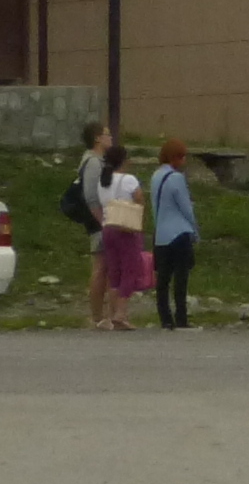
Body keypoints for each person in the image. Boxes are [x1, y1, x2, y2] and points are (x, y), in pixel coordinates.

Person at [92, 150, 150, 332]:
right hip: (127, 228)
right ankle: (121, 313)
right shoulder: (129, 179)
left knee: (114, 271)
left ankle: (113, 312)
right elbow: (139, 198)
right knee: (130, 269)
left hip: (108, 227)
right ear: (124, 161)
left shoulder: (103, 182)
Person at [148, 137, 199, 330]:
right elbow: (186, 208)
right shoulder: (177, 178)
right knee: (181, 278)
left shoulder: (155, 177)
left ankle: (165, 318)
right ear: (176, 158)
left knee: (163, 279)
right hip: (179, 232)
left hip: (161, 233)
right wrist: (195, 230)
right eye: (183, 156)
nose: (184, 160)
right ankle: (181, 318)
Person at [75, 120, 117, 329]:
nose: (111, 138)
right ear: (97, 138)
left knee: (106, 267)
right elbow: (92, 197)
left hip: (101, 219)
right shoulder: (92, 163)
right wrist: (103, 222)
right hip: (98, 221)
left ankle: (105, 315)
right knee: (100, 267)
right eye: (107, 134)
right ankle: (97, 316)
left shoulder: (99, 161)